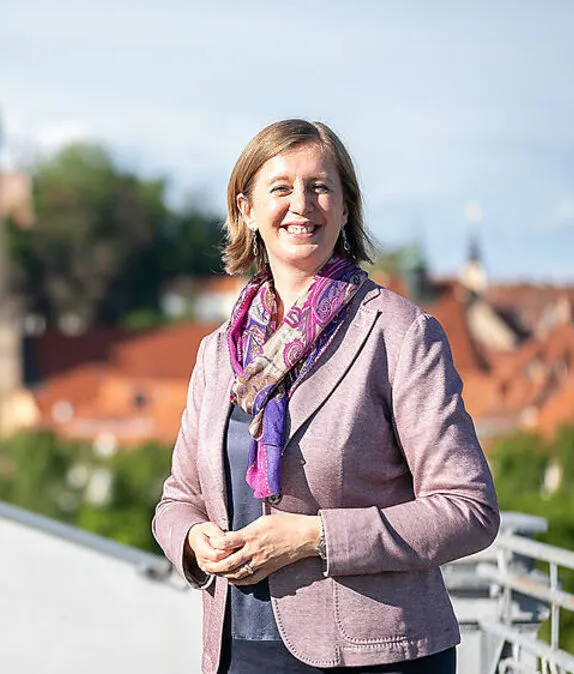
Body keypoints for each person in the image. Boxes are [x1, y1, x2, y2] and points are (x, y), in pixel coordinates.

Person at [152, 119, 499, 674]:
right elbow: (178, 499)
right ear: (246, 210)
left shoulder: (397, 333)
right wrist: (193, 539)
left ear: (345, 207)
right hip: (239, 651)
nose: (302, 204)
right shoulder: (219, 352)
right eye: (281, 188)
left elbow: (468, 509)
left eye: (319, 187)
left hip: (377, 655)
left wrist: (314, 537)